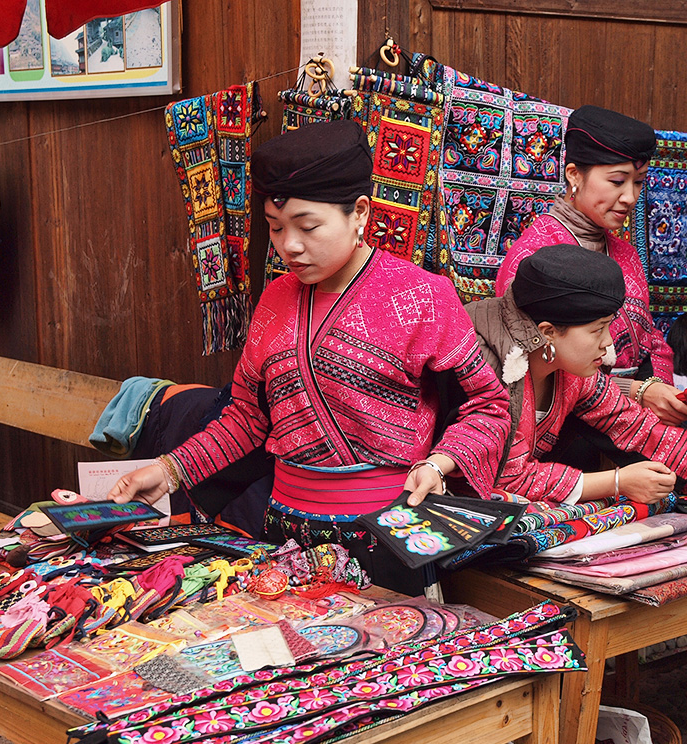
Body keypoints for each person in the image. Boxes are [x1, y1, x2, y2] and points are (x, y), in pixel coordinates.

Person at [108, 119, 510, 595]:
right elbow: (247, 418)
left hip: (388, 539)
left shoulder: (423, 296)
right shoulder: (275, 300)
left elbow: (489, 405)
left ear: (359, 213)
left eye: (307, 226)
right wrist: (168, 469)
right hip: (284, 538)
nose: (289, 246)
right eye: (276, 228)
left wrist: (440, 462)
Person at [468, 243, 687, 523]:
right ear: (547, 332)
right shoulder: (493, 373)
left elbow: (645, 430)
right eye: (597, 329)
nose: (608, 344)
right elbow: (506, 477)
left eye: (609, 327)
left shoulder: (573, 375)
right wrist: (617, 481)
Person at [495, 105, 687, 426]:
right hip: (565, 432)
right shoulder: (535, 258)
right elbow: (528, 364)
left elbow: (652, 339)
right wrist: (634, 392)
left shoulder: (626, 255)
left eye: (638, 182)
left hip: (634, 421)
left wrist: (659, 390)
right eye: (617, 181)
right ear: (574, 175)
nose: (630, 197)